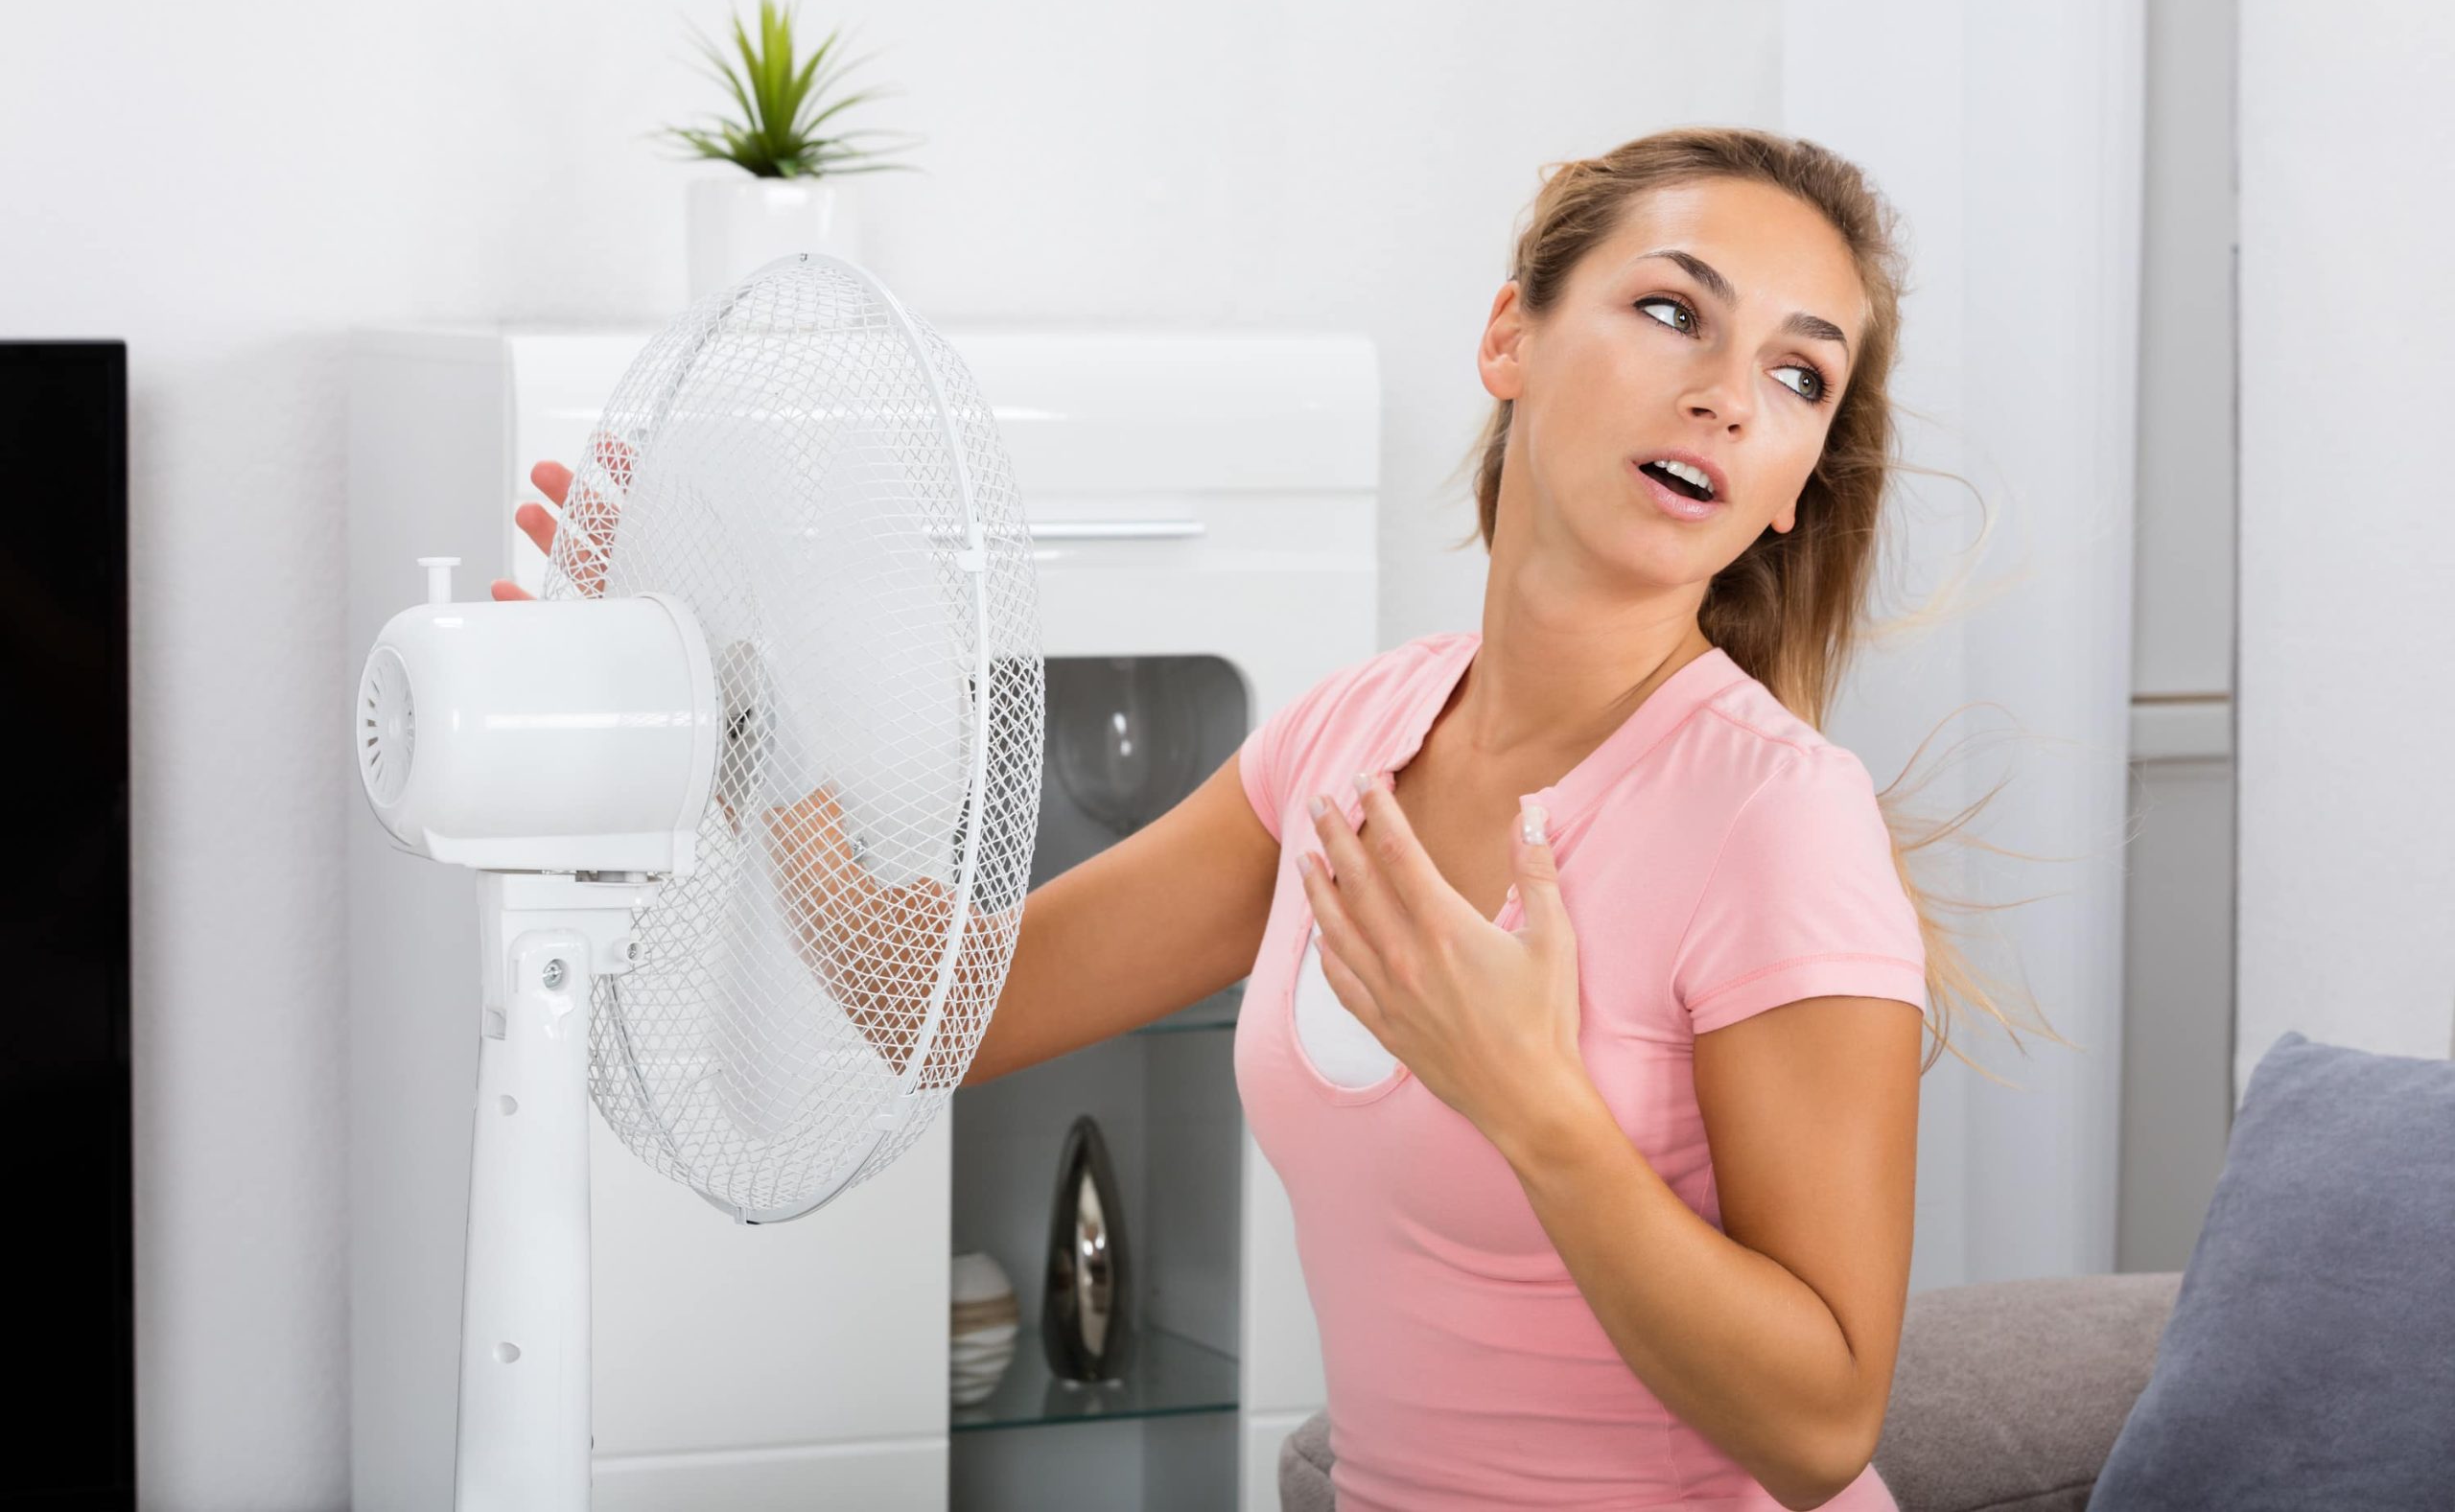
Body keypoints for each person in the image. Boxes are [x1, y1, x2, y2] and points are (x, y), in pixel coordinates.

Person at [498, 126, 2061, 1511]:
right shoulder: (1352, 736)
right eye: (1672, 310)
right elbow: (950, 1005)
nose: (1727, 396)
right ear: (1510, 335)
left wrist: (1536, 1107)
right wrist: (733, 707)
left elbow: (1819, 1426)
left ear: (1796, 484)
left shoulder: (1777, 820)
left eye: (1800, 376)